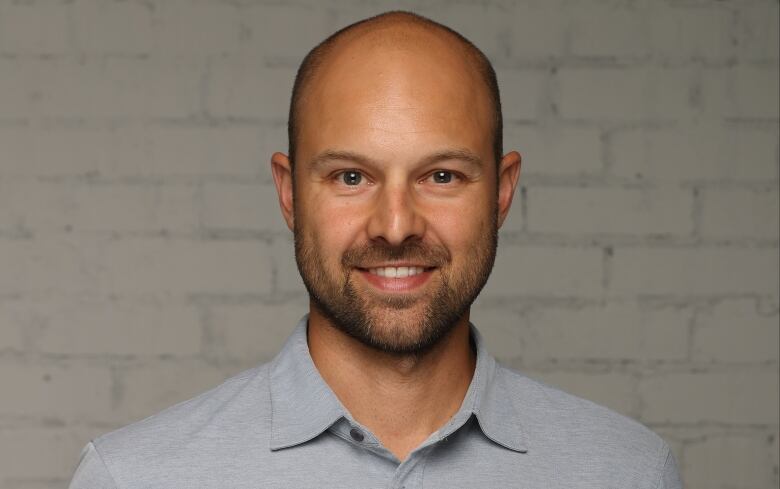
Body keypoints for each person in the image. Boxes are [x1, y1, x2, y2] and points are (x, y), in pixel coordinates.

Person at [69, 11, 682, 488]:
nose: (394, 226)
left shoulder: (628, 473)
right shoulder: (134, 478)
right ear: (289, 194)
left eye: (441, 176)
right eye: (351, 177)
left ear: (502, 191)